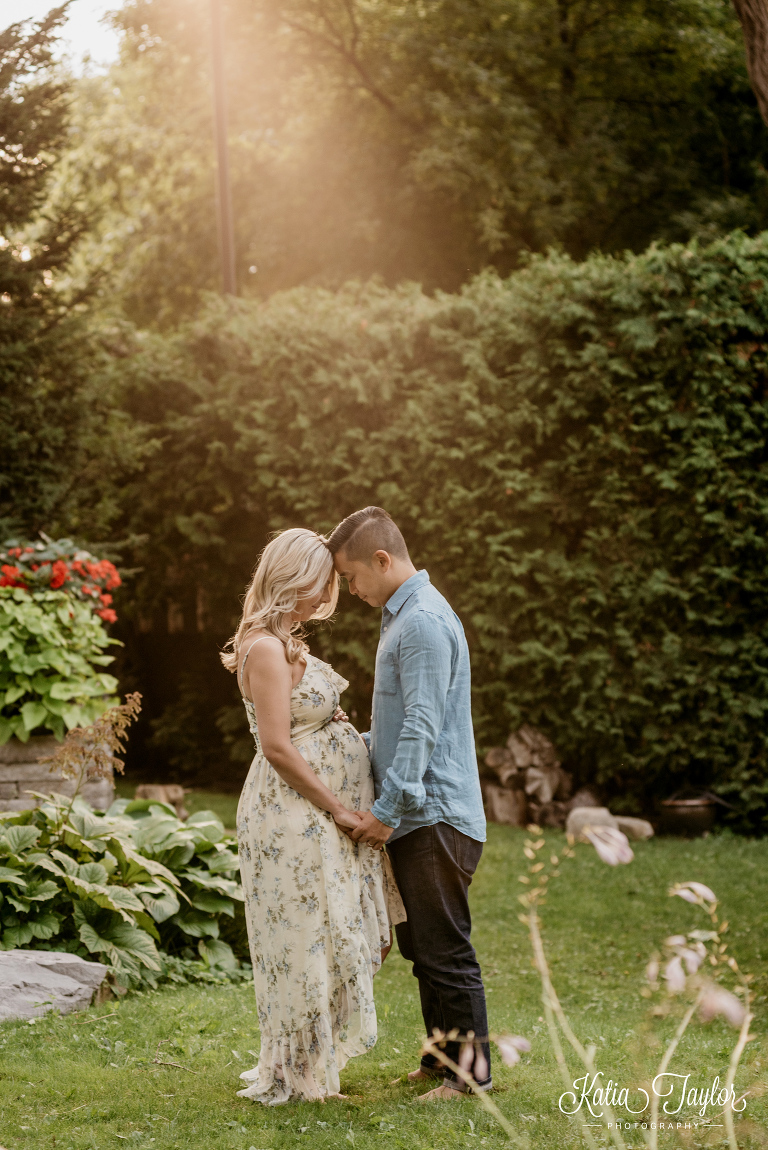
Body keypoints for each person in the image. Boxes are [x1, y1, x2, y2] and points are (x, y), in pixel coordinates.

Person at [221, 527, 405, 1105]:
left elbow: (303, 723)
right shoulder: (266, 647)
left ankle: (307, 1065)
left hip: (311, 815)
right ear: (293, 579)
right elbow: (276, 745)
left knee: (323, 935)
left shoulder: (283, 642)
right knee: (304, 939)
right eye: (322, 582)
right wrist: (337, 807)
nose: (328, 594)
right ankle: (298, 1075)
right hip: (294, 815)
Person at [327, 507, 491, 1100]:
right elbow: (406, 726)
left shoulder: (420, 621)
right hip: (422, 814)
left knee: (445, 949)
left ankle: (469, 1077)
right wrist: (359, 739)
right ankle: (440, 1062)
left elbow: (424, 725)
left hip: (434, 815)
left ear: (381, 560)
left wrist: (387, 810)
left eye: (351, 578)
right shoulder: (405, 617)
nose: (350, 590)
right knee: (423, 948)